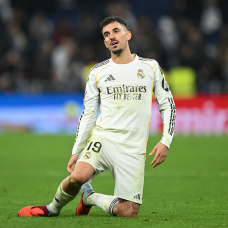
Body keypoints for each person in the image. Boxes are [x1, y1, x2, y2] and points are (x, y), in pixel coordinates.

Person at [18, 16, 176, 218]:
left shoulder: (150, 67)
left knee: (128, 212)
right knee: (77, 178)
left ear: (128, 35)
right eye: (107, 34)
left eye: (116, 31)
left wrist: (165, 141)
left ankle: (89, 197)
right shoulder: (98, 72)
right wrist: (76, 150)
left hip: (133, 148)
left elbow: (168, 104)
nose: (112, 37)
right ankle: (52, 209)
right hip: (105, 138)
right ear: (104, 42)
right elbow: (89, 113)